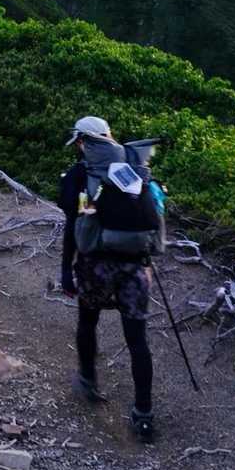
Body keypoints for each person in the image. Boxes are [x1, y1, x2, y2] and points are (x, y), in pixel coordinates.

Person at [57, 115, 156, 442]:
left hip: (95, 265)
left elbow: (73, 227)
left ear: (82, 141)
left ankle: (88, 380)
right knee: (137, 340)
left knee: (88, 321)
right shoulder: (135, 167)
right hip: (135, 266)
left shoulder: (81, 174)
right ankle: (143, 414)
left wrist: (66, 271)